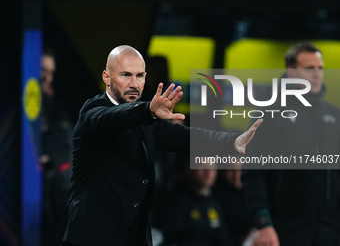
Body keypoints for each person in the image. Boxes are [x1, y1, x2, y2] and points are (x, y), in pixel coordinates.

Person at [54, 45, 262, 246]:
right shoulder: (94, 110)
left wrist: (231, 142)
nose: (135, 83)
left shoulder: (146, 123)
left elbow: (185, 137)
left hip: (132, 236)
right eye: (126, 75)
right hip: (92, 238)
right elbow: (113, 118)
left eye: (140, 75)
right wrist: (147, 110)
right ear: (107, 77)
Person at [242, 41, 340, 246]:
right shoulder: (269, 112)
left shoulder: (334, 115)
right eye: (309, 68)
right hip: (285, 231)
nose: (317, 74)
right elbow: (253, 172)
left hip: (329, 231)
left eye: (320, 69)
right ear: (292, 71)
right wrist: (264, 224)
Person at [40, 48, 73, 246]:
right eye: (43, 71)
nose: (47, 77)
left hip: (58, 191)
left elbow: (66, 144)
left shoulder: (58, 108)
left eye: (51, 72)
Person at [159, 158, 234, 246]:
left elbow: (224, 238)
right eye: (202, 167)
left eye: (212, 168)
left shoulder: (215, 202)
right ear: (188, 169)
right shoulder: (177, 202)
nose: (208, 172)